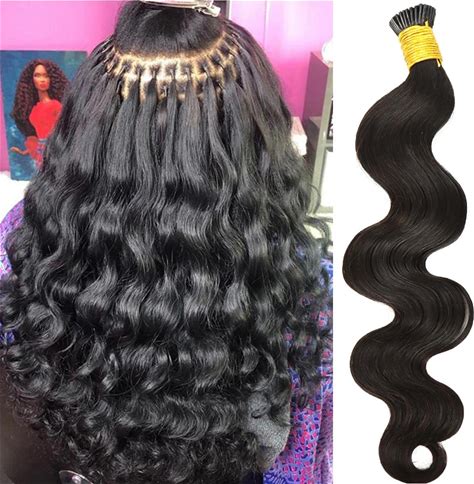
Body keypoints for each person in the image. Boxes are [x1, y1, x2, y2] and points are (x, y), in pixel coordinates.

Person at [0, 1, 332, 483]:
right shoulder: (299, 279)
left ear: (87, 131)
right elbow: (299, 459)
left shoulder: (27, 236)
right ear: (256, 136)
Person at [10, 59, 68, 170]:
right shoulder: (34, 109)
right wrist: (23, 151)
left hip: (56, 151)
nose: (42, 80)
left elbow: (64, 132)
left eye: (46, 76)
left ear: (52, 79)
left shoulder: (56, 106)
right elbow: (36, 137)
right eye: (37, 75)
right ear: (31, 79)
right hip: (41, 153)